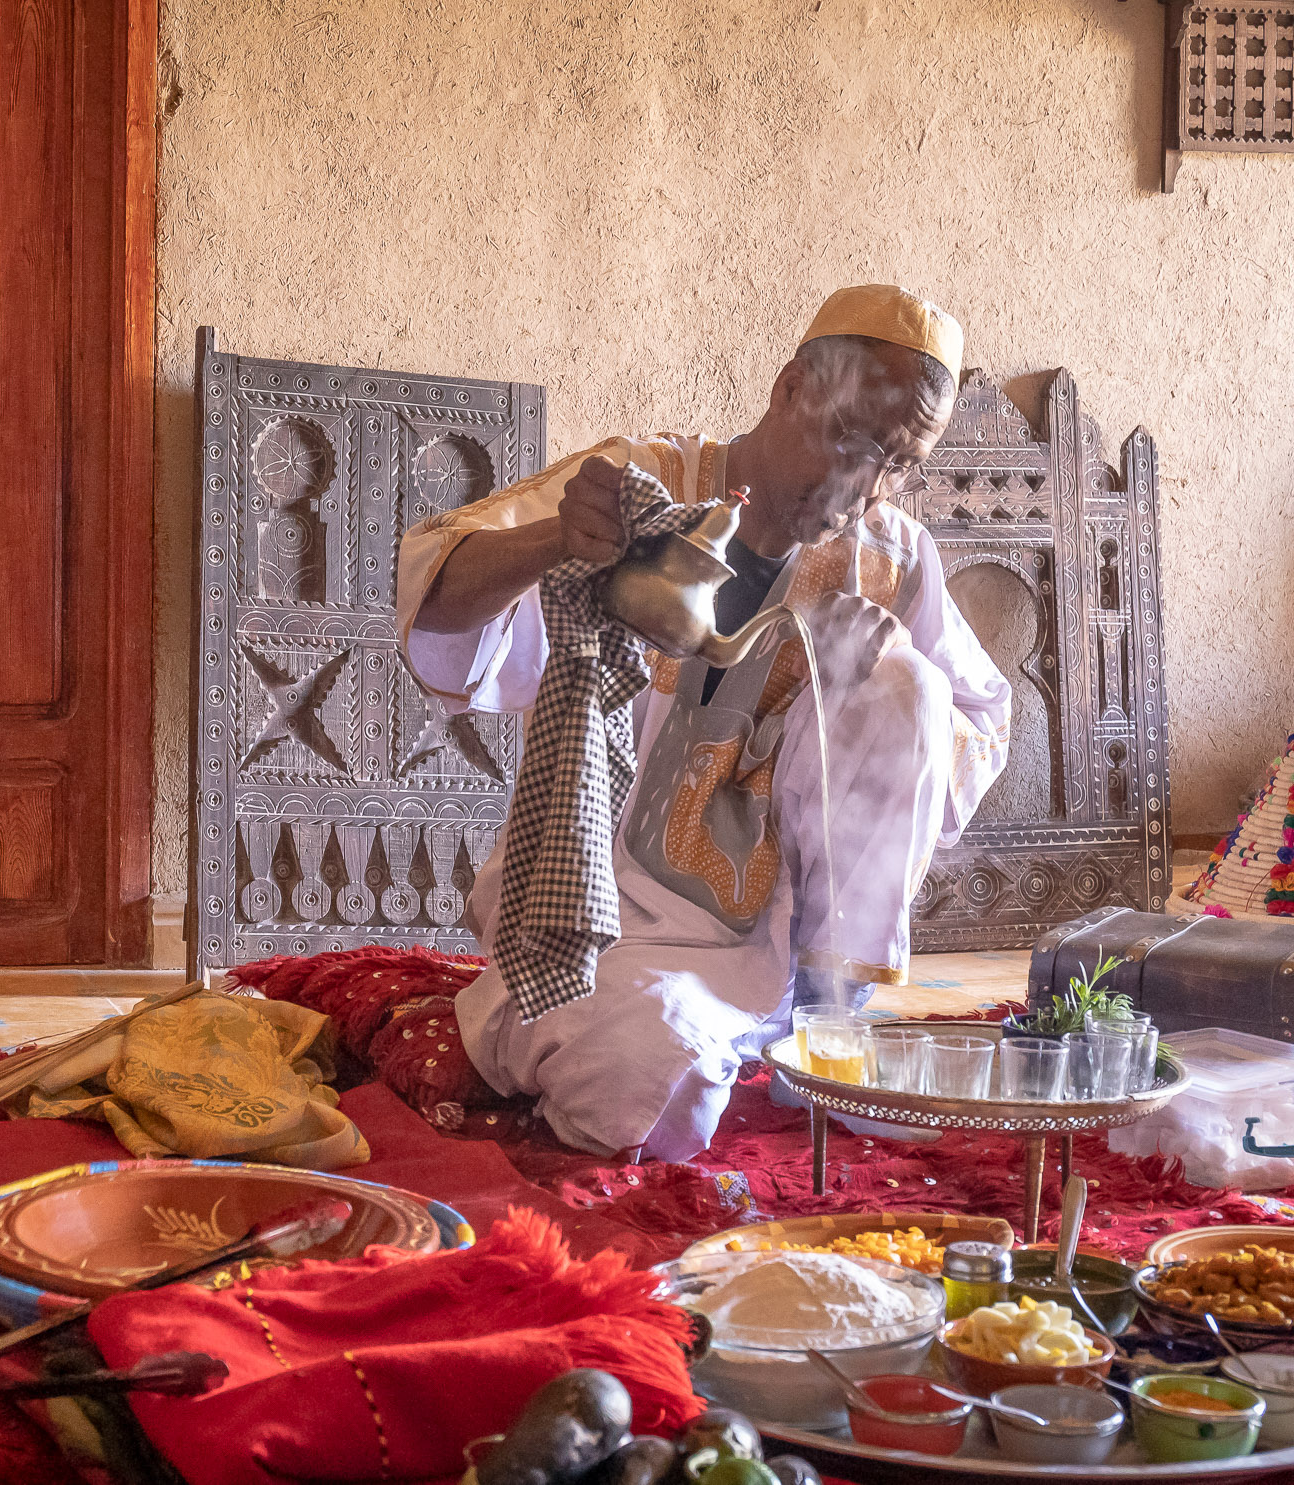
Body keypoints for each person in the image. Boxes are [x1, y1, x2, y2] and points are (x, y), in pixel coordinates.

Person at [397, 285, 1012, 1161]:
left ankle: (831, 1022)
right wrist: (558, 543)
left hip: (781, 940)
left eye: (900, 463)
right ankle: (703, 1039)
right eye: (855, 442)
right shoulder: (644, 487)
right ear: (792, 386)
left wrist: (833, 703)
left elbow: (978, 719)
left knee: (904, 682)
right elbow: (432, 594)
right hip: (603, 914)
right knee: (643, 1083)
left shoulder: (894, 556)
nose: (867, 487)